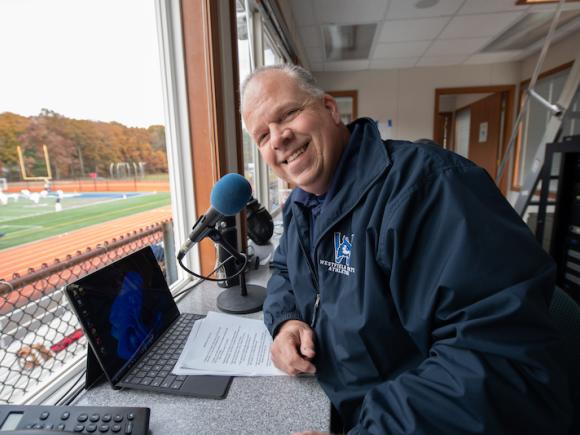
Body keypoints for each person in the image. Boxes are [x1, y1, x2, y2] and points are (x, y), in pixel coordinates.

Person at [241, 64, 572, 435]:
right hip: (347, 405)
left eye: (288, 114)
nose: (278, 138)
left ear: (331, 109)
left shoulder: (430, 188)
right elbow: (286, 269)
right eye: (262, 136)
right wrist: (287, 321)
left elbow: (498, 360)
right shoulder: (304, 204)